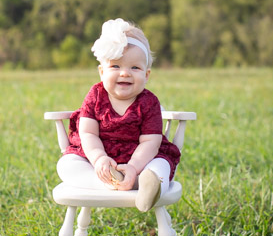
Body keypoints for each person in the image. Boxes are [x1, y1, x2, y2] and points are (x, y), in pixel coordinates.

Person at [56, 18, 181, 212]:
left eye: (135, 68)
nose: (124, 73)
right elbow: (87, 133)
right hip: (100, 158)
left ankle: (147, 186)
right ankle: (108, 184)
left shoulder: (149, 103)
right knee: (67, 164)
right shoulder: (95, 96)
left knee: (161, 166)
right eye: (115, 66)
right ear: (101, 72)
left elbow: (150, 142)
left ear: (146, 75)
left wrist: (133, 167)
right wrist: (99, 159)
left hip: (140, 158)